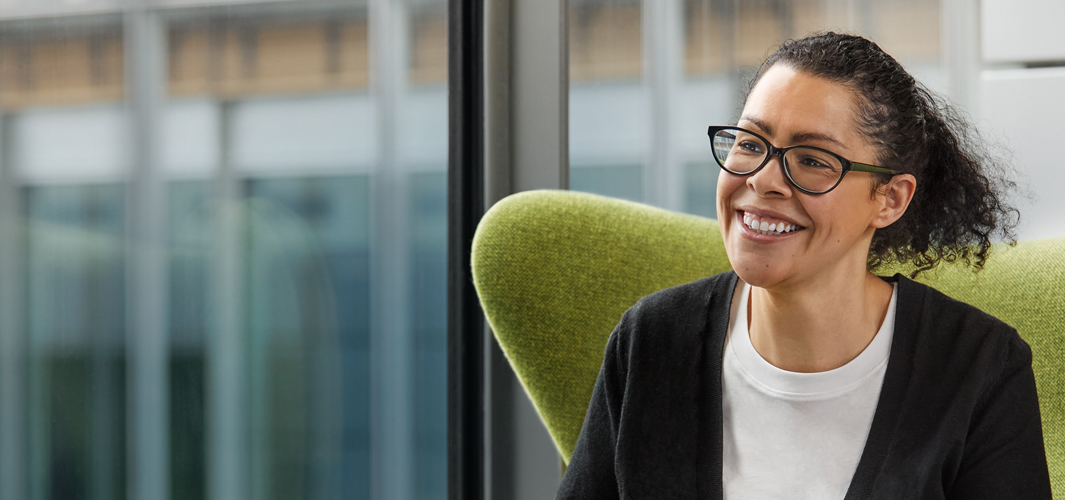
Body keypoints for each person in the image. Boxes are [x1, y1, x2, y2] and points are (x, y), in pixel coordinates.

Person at [556, 32, 1051, 499]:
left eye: (812, 159)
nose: (763, 180)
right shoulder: (650, 340)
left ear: (890, 199)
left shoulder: (982, 369)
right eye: (750, 144)